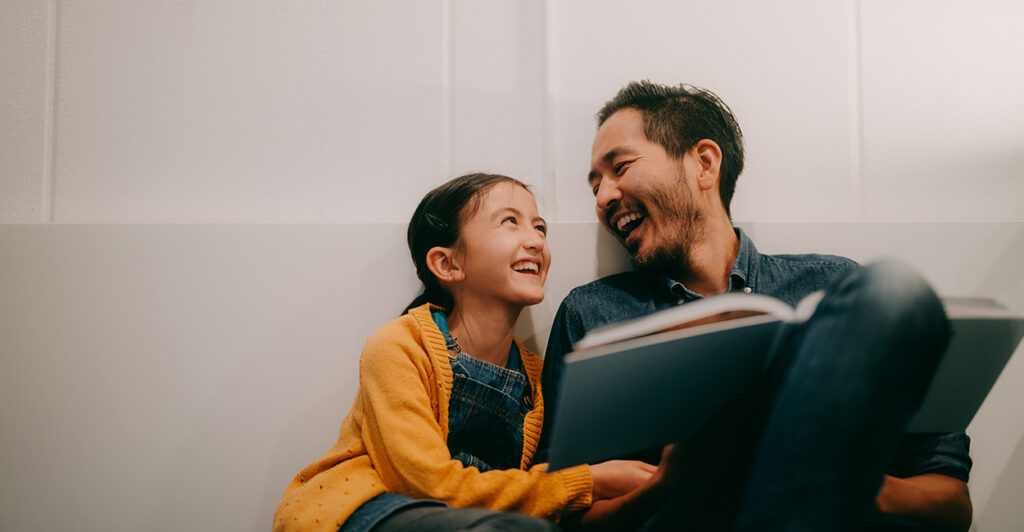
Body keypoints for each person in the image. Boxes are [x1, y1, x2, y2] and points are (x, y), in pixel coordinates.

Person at [538, 81, 974, 531]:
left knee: (892, 288)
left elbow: (953, 505)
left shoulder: (834, 289)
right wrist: (669, 483)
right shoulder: (591, 315)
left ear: (704, 164)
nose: (604, 197)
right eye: (595, 186)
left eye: (620, 167)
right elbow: (562, 516)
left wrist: (844, 478)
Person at [273, 173, 661, 532]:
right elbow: (428, 484)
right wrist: (588, 481)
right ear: (447, 263)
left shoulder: (535, 379)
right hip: (360, 511)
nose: (536, 240)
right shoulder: (400, 346)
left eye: (540, 227)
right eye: (510, 221)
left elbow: (528, 492)